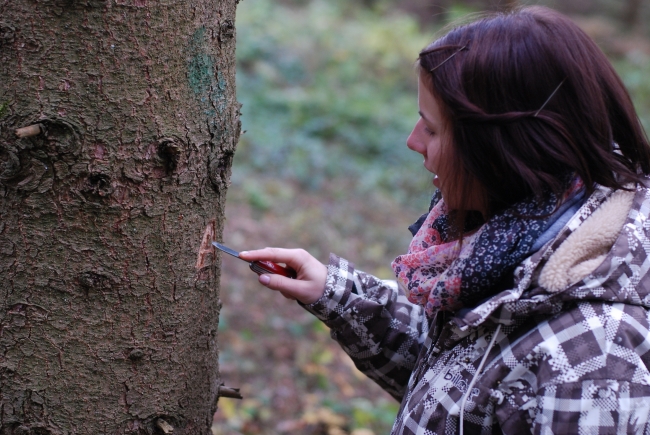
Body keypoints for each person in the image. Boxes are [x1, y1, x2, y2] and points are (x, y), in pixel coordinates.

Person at [239, 6, 650, 434]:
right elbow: (465, 378)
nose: (413, 141)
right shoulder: (512, 246)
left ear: (507, 150)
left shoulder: (592, 366)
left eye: (433, 130)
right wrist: (339, 295)